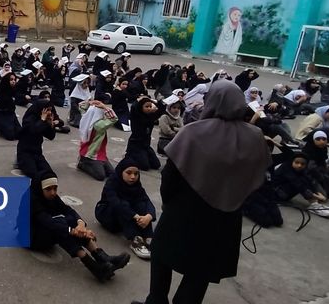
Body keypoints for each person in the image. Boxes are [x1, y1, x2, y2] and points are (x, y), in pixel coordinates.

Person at [132, 80, 271, 304]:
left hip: (184, 209)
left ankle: (156, 300)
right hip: (225, 216)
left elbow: (170, 176)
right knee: (201, 270)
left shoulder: (194, 132)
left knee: (162, 255)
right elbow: (258, 176)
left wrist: (169, 204)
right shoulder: (254, 136)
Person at [30, 172, 130, 282]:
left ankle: (102, 257)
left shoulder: (51, 196)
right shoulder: (32, 200)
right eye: (48, 189)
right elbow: (47, 221)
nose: (53, 192)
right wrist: (73, 231)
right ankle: (95, 268)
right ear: (40, 188)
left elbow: (67, 210)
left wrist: (81, 225)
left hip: (44, 230)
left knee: (69, 220)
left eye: (55, 188)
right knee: (60, 226)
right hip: (31, 238)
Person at [95, 157, 157, 259]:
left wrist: (149, 216)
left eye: (136, 173)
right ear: (121, 172)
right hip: (108, 214)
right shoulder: (112, 183)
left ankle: (149, 237)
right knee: (122, 205)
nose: (133, 177)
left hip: (127, 217)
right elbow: (116, 203)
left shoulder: (137, 186)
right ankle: (136, 240)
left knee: (141, 204)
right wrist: (135, 216)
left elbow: (146, 200)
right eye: (129, 173)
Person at [271, 151, 329, 218]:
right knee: (299, 183)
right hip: (274, 194)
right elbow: (298, 184)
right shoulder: (286, 168)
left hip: (283, 192)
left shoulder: (301, 170)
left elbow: (309, 181)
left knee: (306, 180)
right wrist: (315, 196)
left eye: (302, 164)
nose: (299, 165)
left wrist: (317, 192)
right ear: (292, 161)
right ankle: (314, 207)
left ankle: (315, 204)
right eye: (297, 162)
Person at [76, 101, 117, 181]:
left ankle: (85, 161)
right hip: (92, 154)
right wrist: (104, 107)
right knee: (101, 176)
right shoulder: (98, 125)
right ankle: (82, 164)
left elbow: (81, 105)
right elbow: (114, 118)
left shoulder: (85, 117)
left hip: (94, 152)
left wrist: (89, 103)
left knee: (112, 173)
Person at [16, 100, 56, 178]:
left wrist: (50, 125)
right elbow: (34, 131)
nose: (49, 113)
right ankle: (19, 161)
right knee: (34, 174)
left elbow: (51, 136)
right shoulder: (29, 119)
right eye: (47, 110)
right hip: (25, 153)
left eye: (50, 110)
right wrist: (42, 120)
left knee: (49, 173)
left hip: (37, 153)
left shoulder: (42, 120)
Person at [125, 97, 165, 171]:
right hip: (136, 145)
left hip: (146, 145)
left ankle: (143, 156)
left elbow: (162, 109)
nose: (149, 108)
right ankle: (130, 155)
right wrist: (139, 99)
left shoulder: (151, 116)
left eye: (150, 106)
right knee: (145, 166)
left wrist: (155, 101)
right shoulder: (136, 116)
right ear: (141, 107)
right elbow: (134, 107)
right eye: (146, 107)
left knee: (156, 165)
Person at [302, 130, 329, 201]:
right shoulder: (308, 150)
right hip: (309, 175)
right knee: (323, 197)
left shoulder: (323, 148)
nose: (321, 141)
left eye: (324, 139)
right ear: (313, 140)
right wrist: (321, 176)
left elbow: (322, 162)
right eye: (318, 139)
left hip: (320, 172)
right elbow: (310, 168)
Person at [0, 72, 21, 141]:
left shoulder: (14, 89)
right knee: (10, 135)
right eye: (11, 79)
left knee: (20, 133)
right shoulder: (1, 89)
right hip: (2, 114)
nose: (13, 81)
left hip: (10, 114)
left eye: (14, 79)